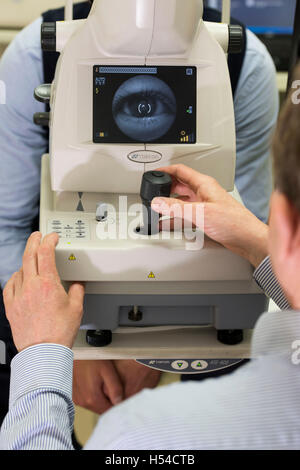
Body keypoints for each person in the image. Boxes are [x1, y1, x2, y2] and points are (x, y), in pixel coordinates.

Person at [0, 0, 278, 421]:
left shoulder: (242, 61)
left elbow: (251, 232)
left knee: (233, 389)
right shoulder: (34, 55)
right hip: (61, 303)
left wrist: (147, 350)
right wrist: (61, 355)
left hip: (205, 310)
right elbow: (6, 223)